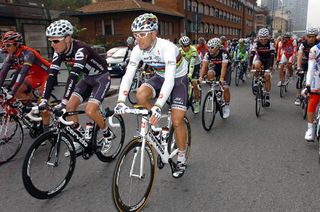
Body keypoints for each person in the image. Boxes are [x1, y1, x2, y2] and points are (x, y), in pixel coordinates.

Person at [114, 13, 189, 178]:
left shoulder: (167, 47)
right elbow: (128, 75)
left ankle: (182, 156)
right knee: (140, 95)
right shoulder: (137, 50)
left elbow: (170, 80)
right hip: (160, 76)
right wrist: (120, 100)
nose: (137, 39)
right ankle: (156, 129)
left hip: (178, 79)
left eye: (142, 34)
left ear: (153, 33)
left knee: (177, 120)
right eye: (135, 35)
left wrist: (158, 106)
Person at [39, 19, 113, 154]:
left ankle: (107, 134)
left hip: (101, 78)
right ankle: (80, 138)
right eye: (50, 41)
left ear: (67, 39)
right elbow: (51, 76)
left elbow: (73, 76)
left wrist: (63, 101)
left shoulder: (80, 50)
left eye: (56, 41)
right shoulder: (59, 52)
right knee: (69, 108)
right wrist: (44, 99)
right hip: (87, 79)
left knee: (90, 111)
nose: (52, 45)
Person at [0, 31, 50, 131]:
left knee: (42, 105)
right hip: (34, 76)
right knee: (19, 91)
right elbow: (3, 72)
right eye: (4, 45)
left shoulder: (28, 53)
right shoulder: (11, 55)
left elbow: (22, 73)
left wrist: (12, 91)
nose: (6, 47)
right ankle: (34, 114)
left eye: (8, 45)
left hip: (47, 75)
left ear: (17, 44)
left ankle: (46, 131)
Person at [199, 37, 232, 118]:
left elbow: (224, 68)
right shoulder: (208, 54)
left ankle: (226, 106)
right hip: (216, 67)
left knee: (225, 87)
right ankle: (214, 90)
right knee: (210, 73)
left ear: (217, 47)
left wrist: (221, 79)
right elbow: (204, 66)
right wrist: (200, 77)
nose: (210, 49)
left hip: (226, 68)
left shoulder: (224, 53)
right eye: (209, 47)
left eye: (212, 48)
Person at [294, 27, 319, 106]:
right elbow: (299, 55)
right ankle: (298, 96)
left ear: (316, 37)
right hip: (304, 61)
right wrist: (298, 67)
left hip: (315, 62)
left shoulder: (318, 44)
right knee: (300, 77)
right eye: (309, 36)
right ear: (306, 37)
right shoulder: (303, 44)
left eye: (313, 36)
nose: (311, 39)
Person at [251, 28, 275, 107]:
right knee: (256, 65)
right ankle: (255, 80)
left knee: (267, 76)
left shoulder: (271, 43)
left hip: (268, 60)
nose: (263, 41)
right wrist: (249, 65)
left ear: (268, 38)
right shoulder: (256, 43)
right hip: (260, 58)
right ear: (259, 38)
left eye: (265, 39)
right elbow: (252, 54)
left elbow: (272, 56)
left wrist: (270, 67)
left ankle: (267, 95)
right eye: (262, 39)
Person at [179, 35, 201, 113]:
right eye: (185, 46)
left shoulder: (193, 50)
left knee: (194, 84)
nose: (187, 47)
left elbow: (192, 64)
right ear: (181, 46)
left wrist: (190, 75)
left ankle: (197, 103)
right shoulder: (180, 51)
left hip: (195, 64)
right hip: (186, 64)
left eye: (188, 45)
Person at [303, 42, 320, 141]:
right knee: (314, 99)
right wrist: (308, 84)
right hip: (317, 77)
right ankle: (310, 129)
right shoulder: (315, 49)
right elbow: (311, 68)